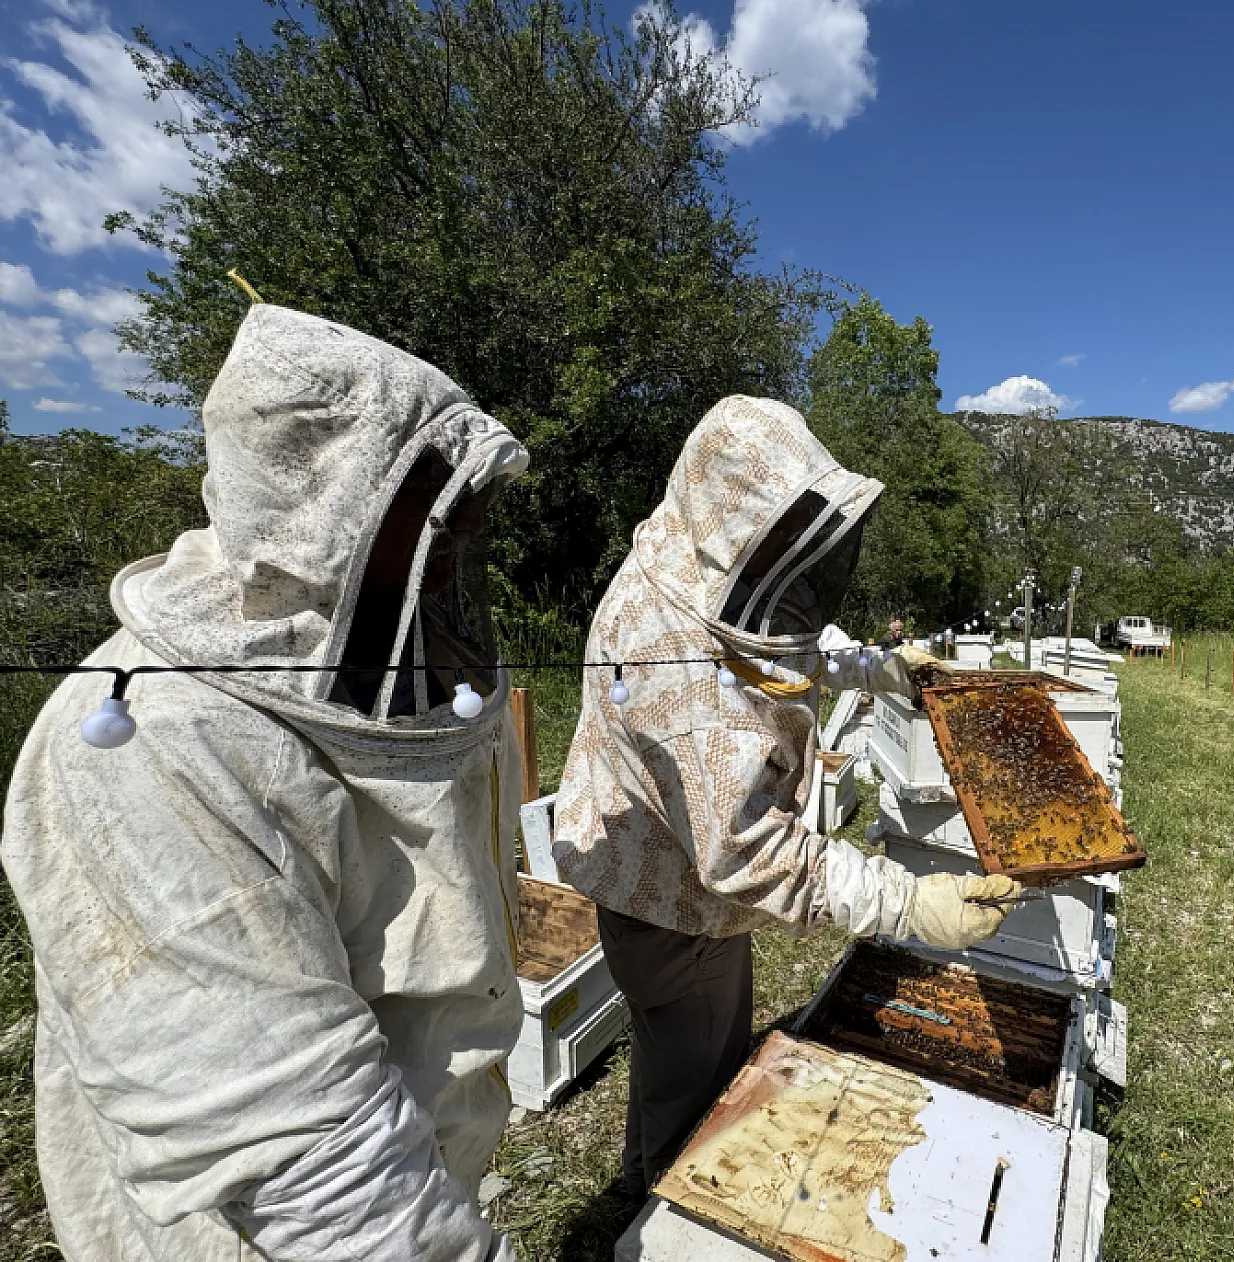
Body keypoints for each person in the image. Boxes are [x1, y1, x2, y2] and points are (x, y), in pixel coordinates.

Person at [1, 304, 531, 1261]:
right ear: (333, 516)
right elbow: (301, 1149)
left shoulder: (394, 675)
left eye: (464, 532)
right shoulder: (149, 745)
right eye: (437, 528)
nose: (453, 558)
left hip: (422, 1182)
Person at [551, 395, 1020, 1199]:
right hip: (675, 909)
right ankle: (663, 1212)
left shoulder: (684, 552)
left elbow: (766, 641)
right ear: (739, 520)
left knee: (670, 1054)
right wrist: (907, 903)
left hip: (646, 879)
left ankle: (639, 1178)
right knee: (698, 1086)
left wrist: (866, 668)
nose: (791, 558)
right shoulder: (673, 664)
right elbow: (748, 853)